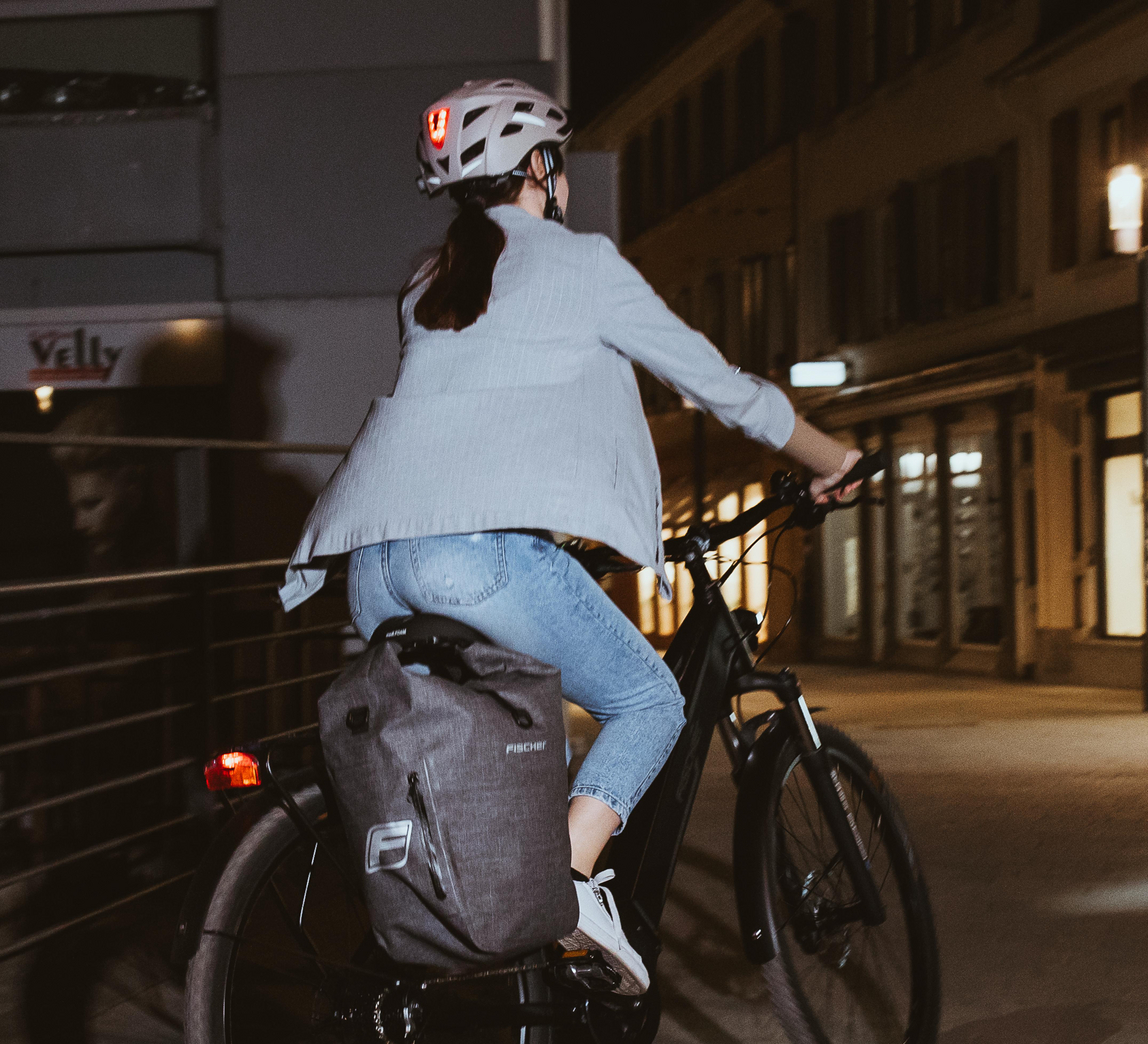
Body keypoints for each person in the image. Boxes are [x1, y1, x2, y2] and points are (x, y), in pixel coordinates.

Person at [279, 79, 860, 993]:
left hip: (374, 562)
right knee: (650, 703)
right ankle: (571, 884)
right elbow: (719, 387)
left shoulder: (430, 282)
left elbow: (472, 422)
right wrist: (833, 458)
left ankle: (516, 1007)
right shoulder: (581, 262)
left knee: (502, 760)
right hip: (472, 558)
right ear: (541, 168)